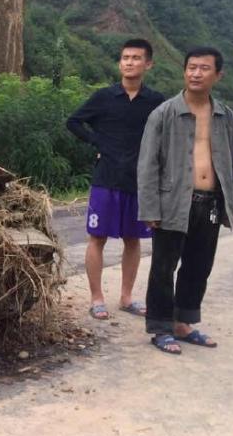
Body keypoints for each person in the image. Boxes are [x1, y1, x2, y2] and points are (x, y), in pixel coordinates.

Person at [137, 47, 233, 354]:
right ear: (184, 71)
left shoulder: (224, 115)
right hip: (173, 202)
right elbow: (147, 164)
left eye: (204, 68)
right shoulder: (164, 113)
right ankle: (159, 327)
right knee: (163, 266)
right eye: (191, 67)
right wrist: (149, 207)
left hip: (210, 202)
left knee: (198, 266)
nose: (196, 73)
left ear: (217, 75)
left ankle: (183, 323)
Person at [66, 38, 165, 320]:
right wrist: (98, 143)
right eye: (125, 57)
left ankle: (126, 297)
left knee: (133, 240)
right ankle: (97, 298)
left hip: (139, 180)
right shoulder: (103, 97)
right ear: (120, 62)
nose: (130, 62)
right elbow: (73, 122)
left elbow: (165, 135)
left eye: (136, 58)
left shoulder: (156, 101)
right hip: (106, 178)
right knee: (97, 237)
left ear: (148, 64)